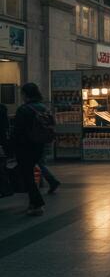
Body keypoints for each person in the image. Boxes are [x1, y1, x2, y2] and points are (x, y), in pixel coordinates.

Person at [10, 83, 55, 215]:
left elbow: (18, 131)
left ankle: (37, 204)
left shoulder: (23, 109)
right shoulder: (43, 108)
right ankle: (33, 203)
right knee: (30, 173)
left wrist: (12, 147)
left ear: (25, 94)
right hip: (39, 145)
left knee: (27, 176)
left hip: (25, 146)